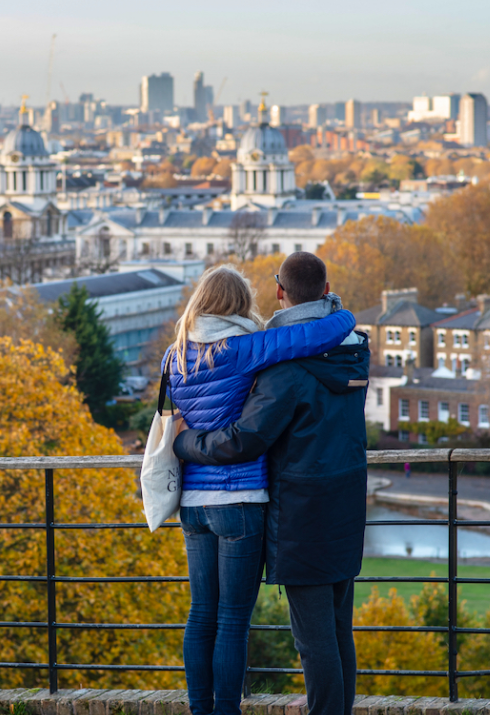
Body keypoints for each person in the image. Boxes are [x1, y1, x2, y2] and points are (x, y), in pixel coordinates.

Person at [173, 252, 369, 715]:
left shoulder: (274, 363)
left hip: (297, 511)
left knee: (311, 637)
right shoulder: (356, 347)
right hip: (343, 498)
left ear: (280, 292)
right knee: (338, 629)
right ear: (324, 291)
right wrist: (341, 313)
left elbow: (247, 438)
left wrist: (183, 444)